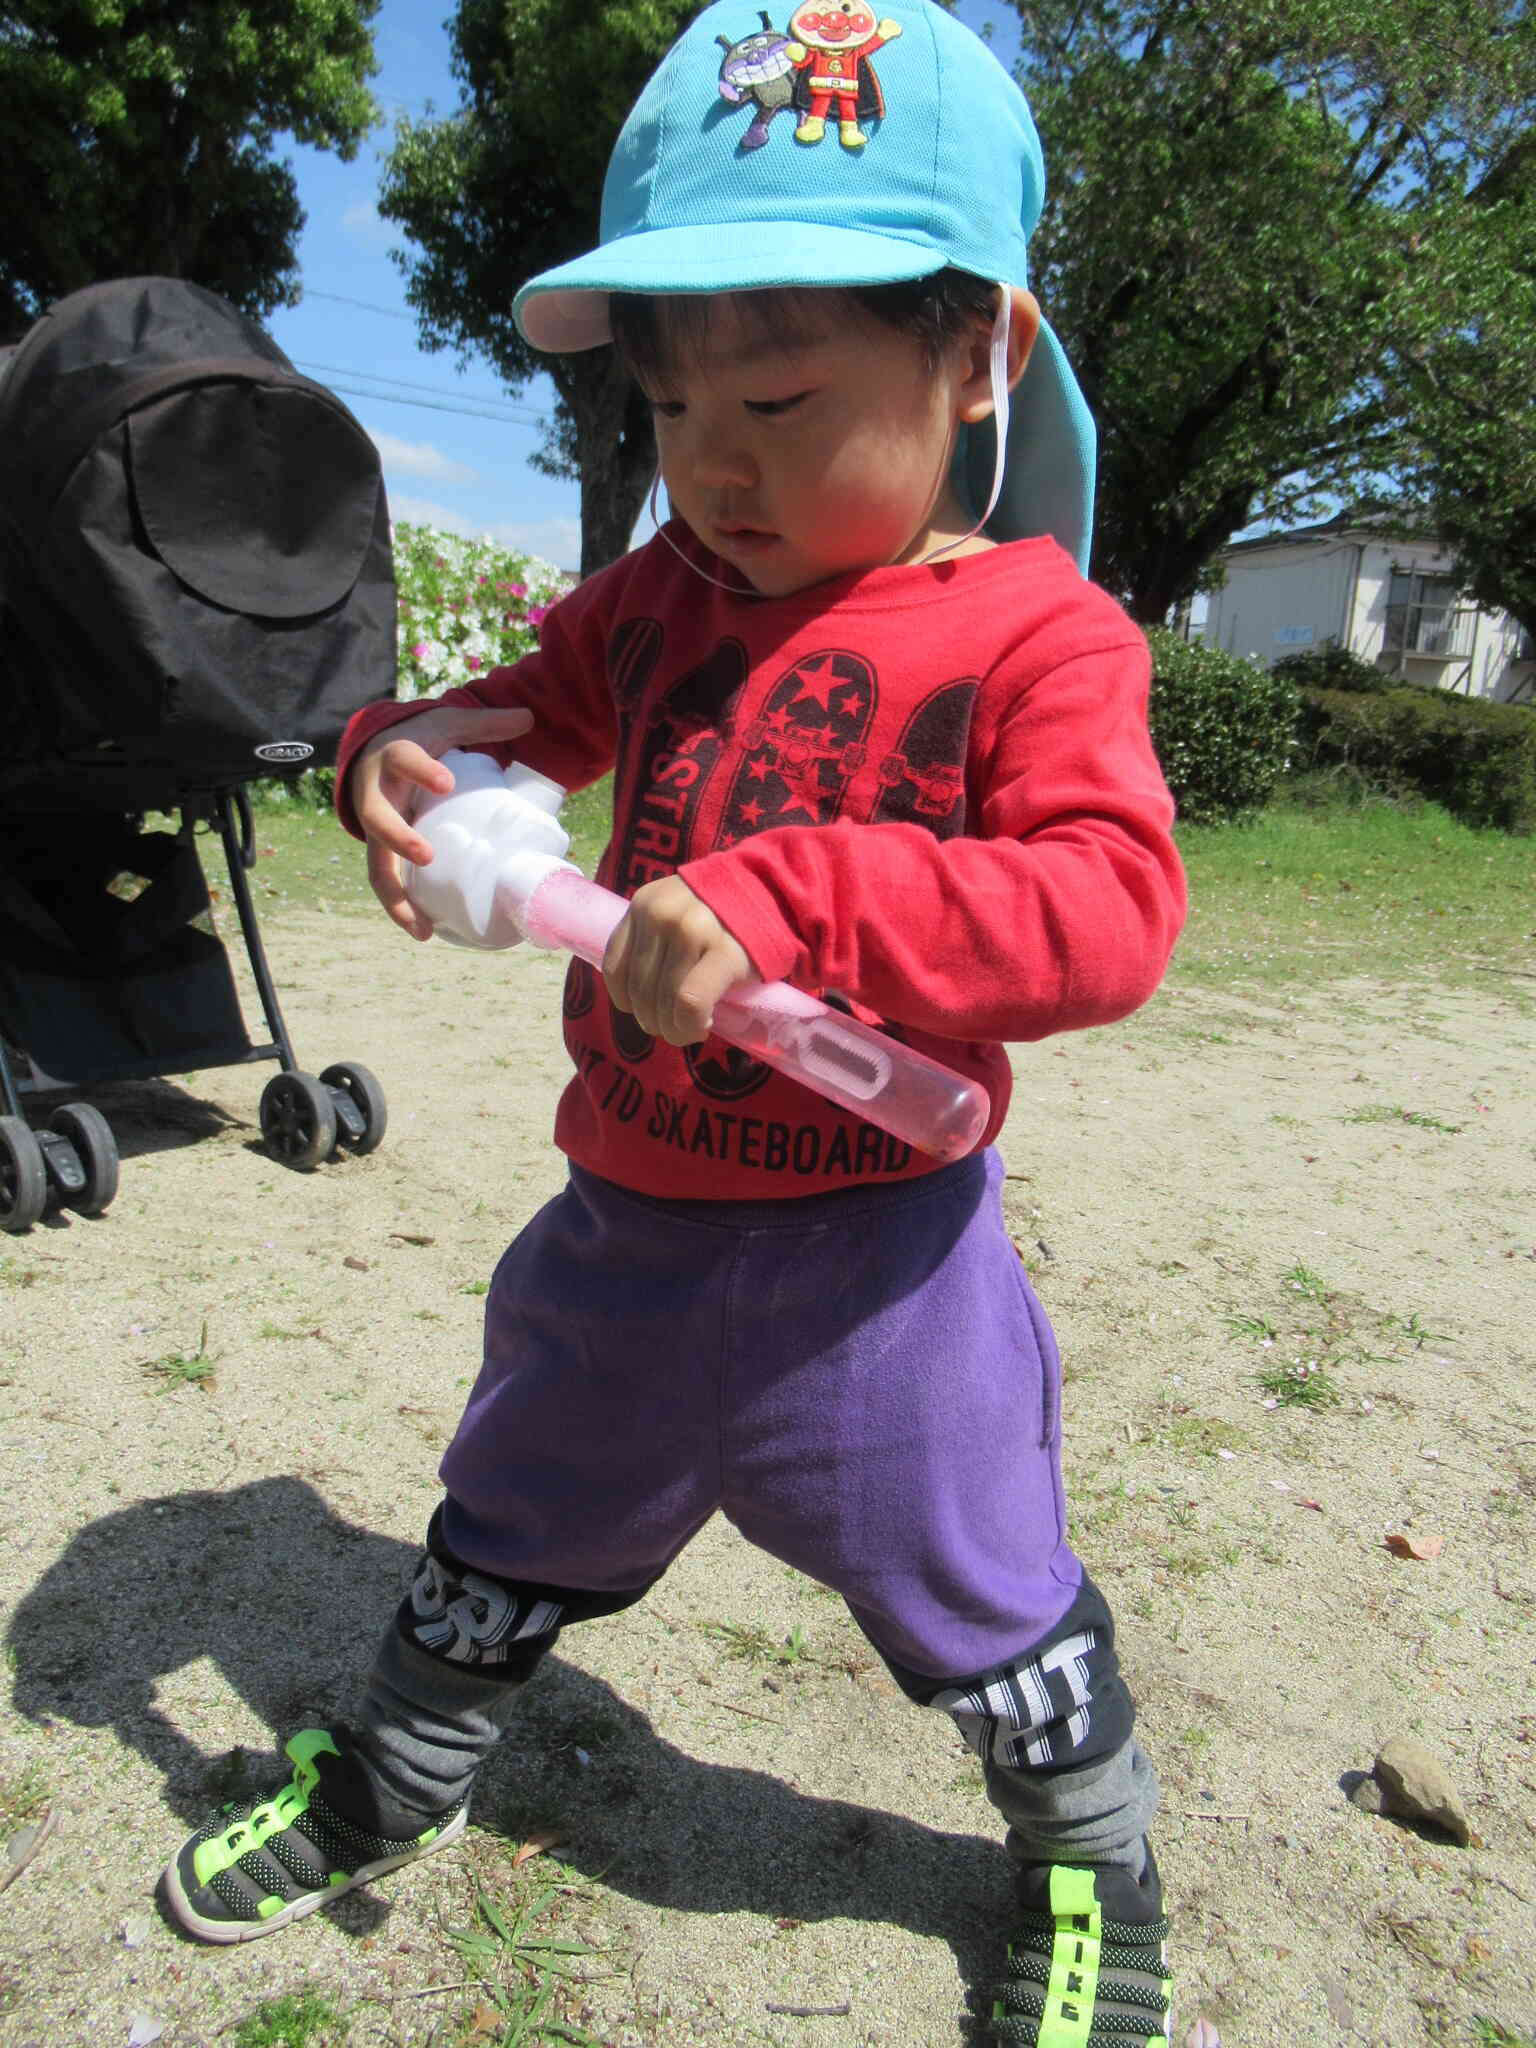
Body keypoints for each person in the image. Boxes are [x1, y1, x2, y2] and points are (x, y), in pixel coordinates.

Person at [163, 4, 1188, 2039]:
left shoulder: (1036, 634)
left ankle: (1093, 1862)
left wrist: (796, 891)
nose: (713, 460)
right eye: (669, 400)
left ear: (977, 352)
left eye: (786, 394)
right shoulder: (655, 601)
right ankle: (393, 1774)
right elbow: (504, 714)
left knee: (981, 1588)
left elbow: (1112, 908)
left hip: (881, 1275)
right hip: (624, 1228)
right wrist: (399, 755)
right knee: (509, 1517)